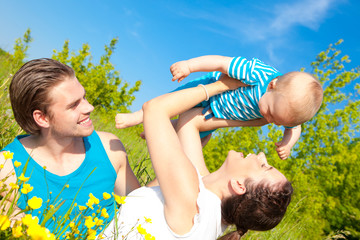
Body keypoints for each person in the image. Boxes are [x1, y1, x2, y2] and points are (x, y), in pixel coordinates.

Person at [103, 75, 293, 239]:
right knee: (115, 151)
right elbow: (190, 121)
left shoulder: (192, 196)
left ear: (239, 185)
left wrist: (222, 86)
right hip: (130, 215)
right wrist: (257, 119)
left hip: (95, 229)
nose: (261, 156)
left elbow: (154, 108)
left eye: (263, 166)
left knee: (107, 145)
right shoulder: (209, 202)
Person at [0, 58, 140, 237]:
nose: (89, 107)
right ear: (42, 118)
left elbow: (142, 210)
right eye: (74, 105)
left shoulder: (110, 149)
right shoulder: (7, 168)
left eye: (84, 97)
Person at [115, 55, 323, 162]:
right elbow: (222, 63)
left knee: (192, 137)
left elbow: (295, 127)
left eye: (277, 121)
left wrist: (288, 143)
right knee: (172, 100)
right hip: (209, 90)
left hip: (217, 114)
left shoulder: (285, 110)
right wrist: (189, 65)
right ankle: (139, 116)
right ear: (272, 86)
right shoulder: (257, 73)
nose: (269, 120)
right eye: (270, 112)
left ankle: (161, 129)